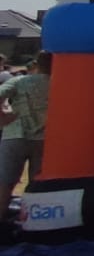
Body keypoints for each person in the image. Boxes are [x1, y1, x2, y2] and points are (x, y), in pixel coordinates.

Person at [0, 52, 51, 216]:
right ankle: (33, 218)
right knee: (37, 182)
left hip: (15, 134)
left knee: (5, 181)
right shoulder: (59, 82)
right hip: (43, 138)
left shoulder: (19, 81)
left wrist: (3, 117)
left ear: (37, 64)